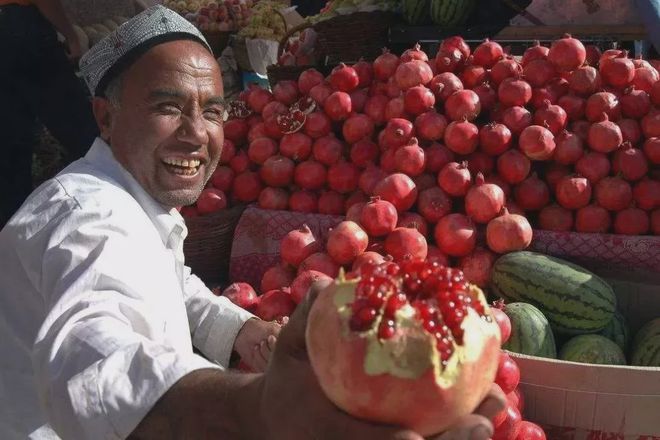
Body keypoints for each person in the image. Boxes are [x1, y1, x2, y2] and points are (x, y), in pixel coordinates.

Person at [0, 6, 504, 439]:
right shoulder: (88, 217)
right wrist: (254, 409)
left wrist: (242, 329)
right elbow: (90, 361)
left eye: (213, 112)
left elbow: (173, 283)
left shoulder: (139, 203)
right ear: (104, 117)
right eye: (168, 107)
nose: (197, 134)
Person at [0, 0, 100, 228]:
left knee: (10, 140)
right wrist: (71, 34)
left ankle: (13, 231)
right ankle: (107, 201)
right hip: (21, 26)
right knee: (82, 132)